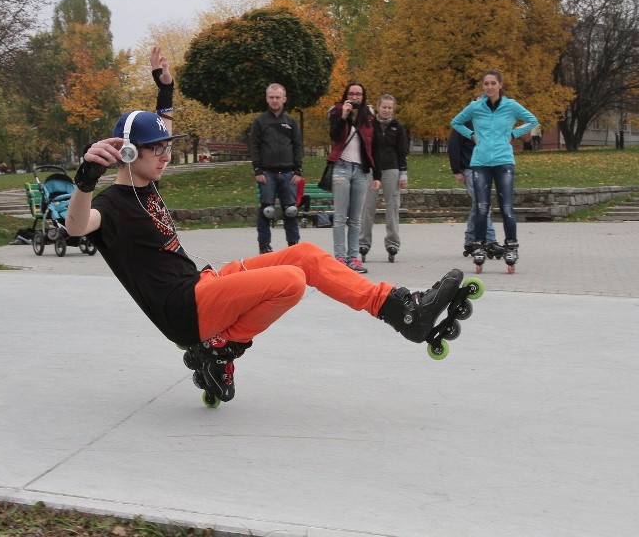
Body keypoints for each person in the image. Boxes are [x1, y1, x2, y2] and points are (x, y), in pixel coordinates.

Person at [65, 48, 468, 405]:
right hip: (184, 311)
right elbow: (76, 226)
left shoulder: (147, 180)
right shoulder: (110, 206)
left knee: (306, 256)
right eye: (160, 150)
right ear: (130, 153)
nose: (167, 156)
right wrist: (85, 180)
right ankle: (220, 347)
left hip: (203, 286)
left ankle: (401, 310)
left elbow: (160, 127)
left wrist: (165, 87)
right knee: (289, 280)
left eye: (170, 148)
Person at [450, 70, 538, 267]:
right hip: (480, 162)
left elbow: (533, 120)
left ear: (500, 84)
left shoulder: (510, 105)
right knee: (482, 207)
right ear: (483, 86)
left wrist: (514, 134)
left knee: (506, 207)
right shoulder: (476, 106)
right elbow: (455, 122)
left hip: (503, 160)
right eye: (486, 84)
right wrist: (471, 134)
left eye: (493, 83)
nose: (489, 87)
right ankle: (479, 245)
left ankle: (511, 246)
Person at [327, 82, 379, 273]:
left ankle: (353, 258)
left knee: (356, 219)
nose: (355, 97)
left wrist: (377, 174)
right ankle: (339, 258)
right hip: (341, 167)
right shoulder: (337, 111)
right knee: (340, 216)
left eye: (358, 94)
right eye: (351, 94)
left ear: (363, 97)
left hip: (361, 170)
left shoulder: (369, 117)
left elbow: (375, 147)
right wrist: (344, 117)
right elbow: (334, 136)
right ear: (346, 95)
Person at [250, 83, 304, 254]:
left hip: (288, 173)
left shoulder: (291, 122)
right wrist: (258, 170)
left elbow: (297, 146)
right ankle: (264, 247)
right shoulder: (260, 121)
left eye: (277, 97)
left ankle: (293, 246)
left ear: (284, 99)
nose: (274, 100)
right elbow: (254, 146)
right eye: (271, 97)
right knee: (267, 211)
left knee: (290, 211)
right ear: (267, 98)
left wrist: (298, 170)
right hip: (267, 173)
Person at [358, 94, 408, 264]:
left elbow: (402, 152)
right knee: (367, 207)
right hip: (372, 169)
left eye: (390, 108)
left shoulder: (397, 127)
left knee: (392, 206)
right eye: (384, 107)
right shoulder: (370, 125)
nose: (386, 110)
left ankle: (393, 243)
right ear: (378, 107)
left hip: (392, 169)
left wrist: (403, 173)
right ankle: (364, 242)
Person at [447, 116, 501, 257]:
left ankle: (470, 239)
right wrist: (456, 170)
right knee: (482, 203)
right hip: (470, 168)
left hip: (485, 169)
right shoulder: (464, 123)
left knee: (478, 205)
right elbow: (453, 146)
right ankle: (490, 240)